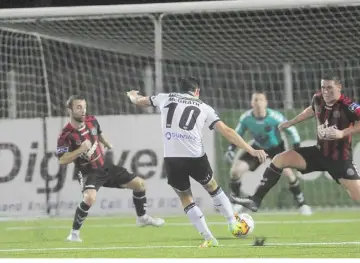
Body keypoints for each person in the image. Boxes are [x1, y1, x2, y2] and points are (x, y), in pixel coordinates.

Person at [231, 75, 360, 235]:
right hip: (318, 152)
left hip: (340, 159)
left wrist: (342, 133)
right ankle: (256, 199)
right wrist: (291, 122)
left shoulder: (348, 105)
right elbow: (310, 110)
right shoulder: (318, 99)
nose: (325, 91)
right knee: (279, 159)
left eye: (329, 87)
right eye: (323, 87)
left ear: (339, 87)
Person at [127, 76, 267, 248]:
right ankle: (232, 222)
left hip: (173, 158)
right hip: (196, 157)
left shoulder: (165, 97)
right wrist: (251, 150)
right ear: (197, 92)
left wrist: (133, 95)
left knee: (186, 197)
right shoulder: (203, 107)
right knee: (213, 188)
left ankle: (208, 237)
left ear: (180, 90)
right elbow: (227, 131)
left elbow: (140, 101)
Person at [56, 95, 164, 242]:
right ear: (70, 110)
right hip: (88, 172)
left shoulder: (92, 120)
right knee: (89, 198)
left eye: (84, 106)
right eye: (78, 107)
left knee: (140, 184)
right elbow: (62, 160)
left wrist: (106, 143)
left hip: (104, 166)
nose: (83, 110)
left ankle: (142, 217)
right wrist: (80, 149)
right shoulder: (66, 135)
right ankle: (74, 234)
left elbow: (98, 134)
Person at [226, 91, 311, 215]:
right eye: (255, 100)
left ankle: (302, 204)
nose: (258, 103)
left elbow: (292, 131)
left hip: (277, 148)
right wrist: (231, 149)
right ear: (251, 103)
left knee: (289, 174)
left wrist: (297, 147)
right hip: (258, 148)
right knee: (235, 172)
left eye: (261, 100)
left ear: (266, 103)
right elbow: (237, 134)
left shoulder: (275, 117)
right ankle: (235, 204)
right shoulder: (246, 118)